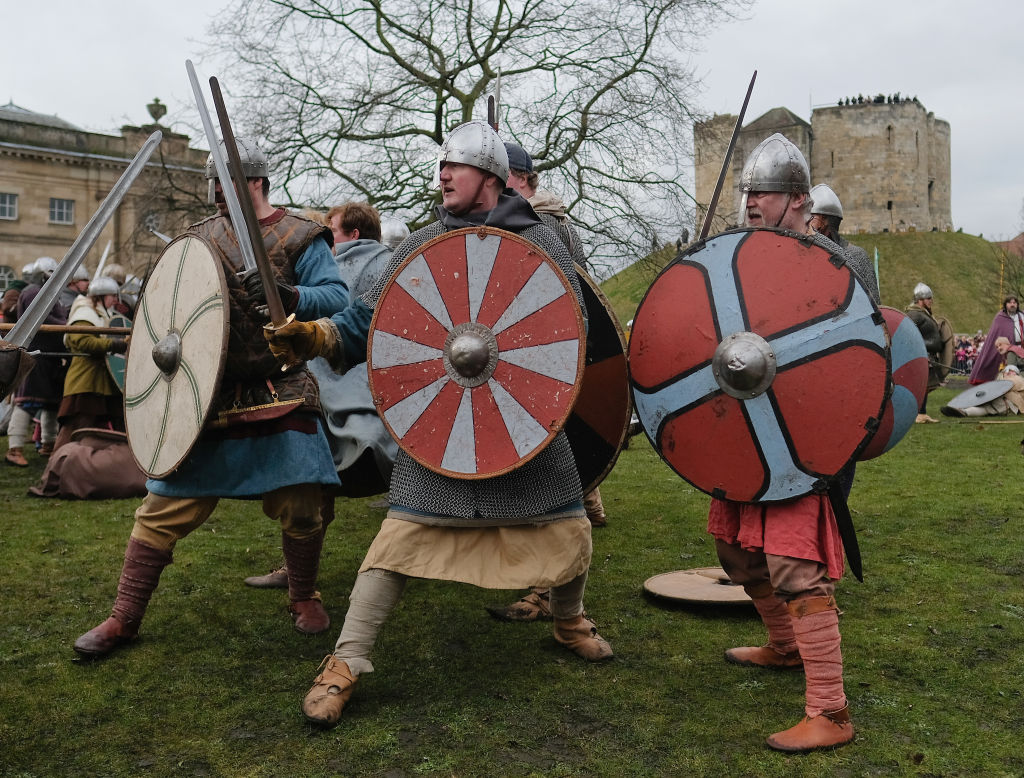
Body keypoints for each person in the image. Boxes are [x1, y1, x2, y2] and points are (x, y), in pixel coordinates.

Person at [266, 121, 613, 728]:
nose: (442, 176)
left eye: (454, 166)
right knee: (400, 539)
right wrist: (318, 334)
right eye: (442, 167)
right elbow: (371, 319)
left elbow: (568, 329)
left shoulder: (545, 240)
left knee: (565, 522)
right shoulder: (421, 244)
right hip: (446, 420)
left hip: (518, 415)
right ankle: (346, 660)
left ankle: (568, 620)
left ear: (489, 175)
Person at [71, 137, 350, 659]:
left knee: (302, 503)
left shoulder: (302, 235)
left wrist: (289, 296)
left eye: (227, 181)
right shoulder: (197, 239)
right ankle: (123, 617)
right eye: (213, 182)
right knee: (161, 507)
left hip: (280, 384)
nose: (217, 192)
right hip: (207, 393)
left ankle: (303, 593)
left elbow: (336, 297)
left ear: (257, 181)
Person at [708, 133, 867, 752]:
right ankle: (783, 645)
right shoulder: (736, 257)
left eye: (765, 193)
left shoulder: (834, 264)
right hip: (746, 430)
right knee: (736, 548)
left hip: (800, 436)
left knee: (795, 565)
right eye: (748, 192)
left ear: (799, 201)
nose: (751, 202)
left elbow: (854, 356)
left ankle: (831, 710)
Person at [245, 200, 398, 590]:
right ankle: (295, 569)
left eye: (332, 232)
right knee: (309, 480)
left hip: (362, 387)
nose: (325, 240)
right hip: (315, 383)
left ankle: (393, 565)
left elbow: (365, 323)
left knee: (391, 478)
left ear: (353, 234)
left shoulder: (381, 265)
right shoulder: (333, 264)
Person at [487, 141, 608, 623]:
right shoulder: (521, 221)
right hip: (519, 362)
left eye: (506, 179)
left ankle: (547, 596)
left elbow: (566, 301)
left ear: (524, 180)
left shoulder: (548, 226)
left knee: (552, 490)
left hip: (543, 364)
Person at [6, 257, 67, 466]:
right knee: (27, 403)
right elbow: (43, 319)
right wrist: (67, 325)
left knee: (50, 404)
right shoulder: (33, 292)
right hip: (34, 354)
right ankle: (15, 449)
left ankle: (48, 444)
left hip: (50, 357)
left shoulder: (49, 293)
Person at [906, 283, 943, 423]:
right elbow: (907, 332)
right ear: (920, 300)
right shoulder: (914, 314)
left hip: (927, 354)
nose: (931, 301)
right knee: (922, 384)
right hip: (921, 355)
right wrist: (919, 348)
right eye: (928, 298)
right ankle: (918, 414)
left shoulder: (923, 313)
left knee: (926, 385)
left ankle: (921, 412)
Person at [969, 295, 1024, 384]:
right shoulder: (1000, 317)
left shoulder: (1022, 316)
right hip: (1007, 349)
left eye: (1014, 303)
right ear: (1006, 304)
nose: (1012, 305)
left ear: (1017, 305)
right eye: (1010, 303)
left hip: (1021, 347)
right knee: (1009, 370)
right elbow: (994, 336)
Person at [942, 361, 1024, 417]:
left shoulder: (1018, 379)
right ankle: (961, 410)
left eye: (1012, 371)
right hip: (999, 400)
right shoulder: (1000, 377)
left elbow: (1011, 384)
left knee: (987, 408)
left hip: (1007, 404)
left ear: (1016, 373)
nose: (1009, 373)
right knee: (983, 405)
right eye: (1008, 371)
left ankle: (964, 411)